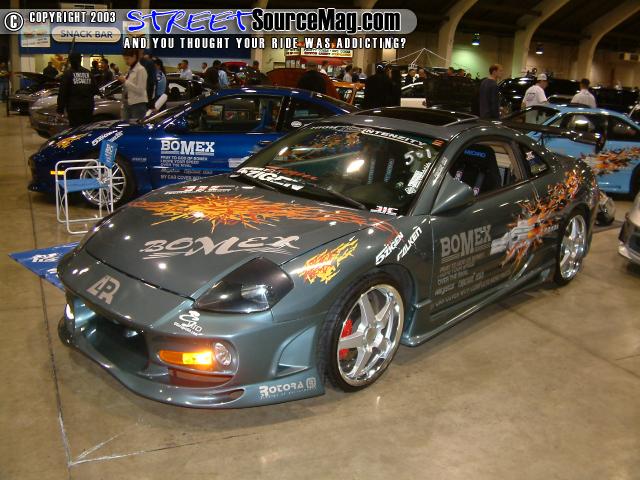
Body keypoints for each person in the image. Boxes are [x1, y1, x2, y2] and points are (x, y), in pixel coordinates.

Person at [56, 53, 98, 127]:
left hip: (74, 107)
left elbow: (62, 93)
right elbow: (95, 90)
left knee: (75, 129)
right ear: (80, 60)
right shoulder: (88, 73)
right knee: (86, 128)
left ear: (70, 61)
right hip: (88, 107)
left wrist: (60, 109)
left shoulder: (68, 74)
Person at [118, 49, 148, 120]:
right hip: (127, 102)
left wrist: (125, 81)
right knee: (124, 124)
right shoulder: (130, 69)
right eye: (124, 59)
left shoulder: (141, 70)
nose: (126, 61)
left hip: (137, 104)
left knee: (136, 125)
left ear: (134, 57)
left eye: (127, 59)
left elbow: (140, 90)